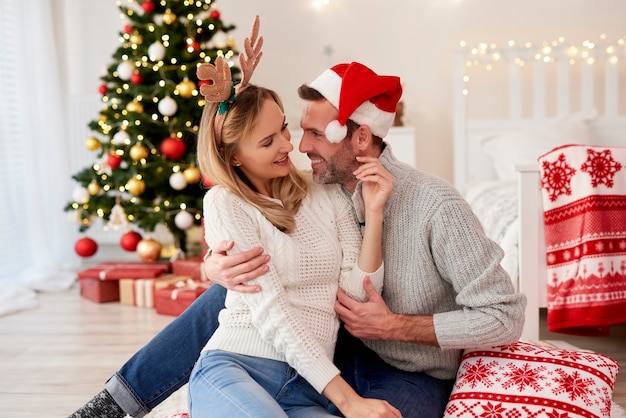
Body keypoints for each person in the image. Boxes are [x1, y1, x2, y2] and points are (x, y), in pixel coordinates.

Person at [69, 60, 526, 418]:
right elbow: (250, 225)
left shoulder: (437, 206)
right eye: (294, 129)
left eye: (310, 133)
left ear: (360, 137)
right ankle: (114, 404)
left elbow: (505, 316)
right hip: (328, 349)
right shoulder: (319, 185)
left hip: (403, 368)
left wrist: (396, 327)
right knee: (232, 287)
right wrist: (213, 263)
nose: (298, 146)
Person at [70, 18, 399, 418]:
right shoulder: (226, 204)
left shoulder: (324, 193)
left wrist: (376, 213)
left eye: (282, 128)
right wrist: (349, 401)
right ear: (234, 156)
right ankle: (113, 406)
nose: (288, 145)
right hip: (236, 367)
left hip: (307, 389)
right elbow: (273, 313)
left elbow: (359, 292)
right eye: (268, 141)